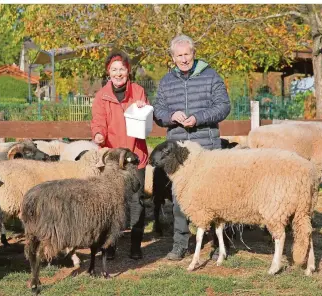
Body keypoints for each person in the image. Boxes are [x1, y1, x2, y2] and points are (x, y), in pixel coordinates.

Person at [153, 34, 231, 261]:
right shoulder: (167, 81)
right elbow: (158, 111)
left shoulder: (211, 76)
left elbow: (224, 107)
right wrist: (170, 116)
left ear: (194, 53)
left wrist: (199, 117)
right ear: (173, 57)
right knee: (180, 197)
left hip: (206, 146)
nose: (184, 59)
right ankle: (180, 244)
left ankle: (219, 243)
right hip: (179, 149)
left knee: (215, 195)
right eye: (179, 55)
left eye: (187, 54)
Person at [91, 51, 149, 260]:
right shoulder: (102, 96)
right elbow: (98, 121)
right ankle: (111, 244)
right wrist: (98, 134)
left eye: (121, 69)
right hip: (113, 158)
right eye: (114, 69)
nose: (118, 73)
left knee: (136, 200)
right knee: (113, 202)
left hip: (135, 155)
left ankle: (135, 245)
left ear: (128, 71)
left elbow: (145, 122)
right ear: (109, 72)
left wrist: (143, 109)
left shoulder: (139, 92)